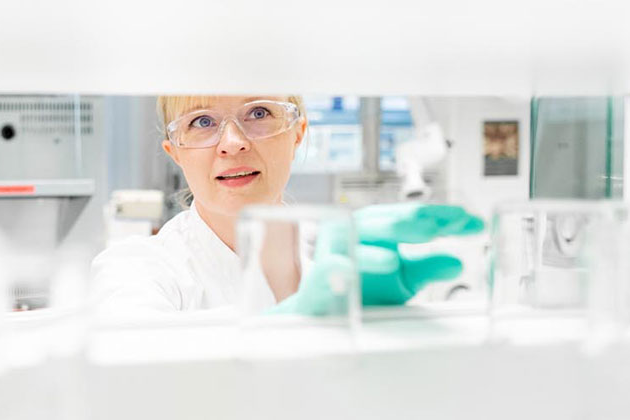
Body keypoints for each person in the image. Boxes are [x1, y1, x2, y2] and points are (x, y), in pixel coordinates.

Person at [90, 94, 482, 316]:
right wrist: (295, 323)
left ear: (298, 133)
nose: (232, 142)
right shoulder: (137, 267)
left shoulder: (342, 256)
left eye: (258, 113)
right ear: (175, 152)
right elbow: (137, 385)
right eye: (202, 122)